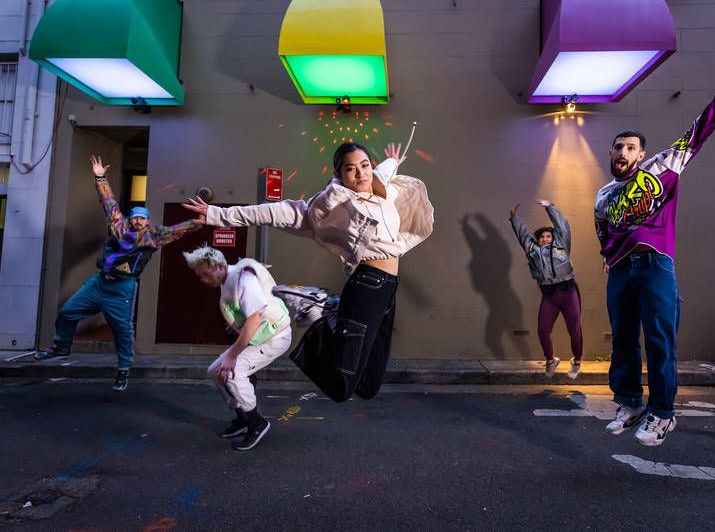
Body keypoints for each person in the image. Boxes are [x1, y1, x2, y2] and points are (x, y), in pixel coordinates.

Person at [183, 141, 433, 402]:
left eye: (364, 165)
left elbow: (384, 171)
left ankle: (331, 309)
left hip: (388, 286)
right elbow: (271, 212)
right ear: (338, 175)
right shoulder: (330, 207)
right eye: (351, 169)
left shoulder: (379, 186)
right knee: (340, 387)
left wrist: (392, 161)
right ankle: (316, 313)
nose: (361, 174)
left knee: (368, 386)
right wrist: (217, 214)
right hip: (366, 285)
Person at [595, 57, 715, 446]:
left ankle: (662, 414)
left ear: (640, 153)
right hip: (620, 270)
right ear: (610, 154)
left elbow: (701, 130)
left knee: (660, 340)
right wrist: (607, 258)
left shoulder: (663, 167)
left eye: (630, 148)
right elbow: (603, 230)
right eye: (617, 147)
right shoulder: (603, 195)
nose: (623, 152)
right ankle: (629, 403)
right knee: (622, 339)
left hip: (654, 264)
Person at [36, 155, 204, 392]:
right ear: (130, 218)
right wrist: (100, 178)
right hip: (99, 283)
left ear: (147, 221)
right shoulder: (119, 226)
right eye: (135, 217)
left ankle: (123, 371)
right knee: (67, 312)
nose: (137, 221)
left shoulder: (153, 236)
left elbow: (177, 231)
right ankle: (61, 347)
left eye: (142, 218)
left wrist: (198, 223)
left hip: (122, 289)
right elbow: (109, 203)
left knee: (122, 331)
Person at [184, 245, 291, 451]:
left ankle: (257, 422)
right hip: (260, 336)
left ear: (220, 266)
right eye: (200, 276)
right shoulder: (228, 280)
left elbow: (255, 318)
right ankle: (242, 418)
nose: (204, 280)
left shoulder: (243, 278)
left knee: (232, 372)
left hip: (274, 337)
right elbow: (247, 311)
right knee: (215, 372)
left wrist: (232, 355)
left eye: (206, 274)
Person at [510, 200, 582, 378]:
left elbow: (562, 225)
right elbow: (522, 235)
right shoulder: (532, 250)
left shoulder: (562, 244)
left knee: (574, 329)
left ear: (553, 237)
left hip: (568, 291)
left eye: (548, 236)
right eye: (542, 237)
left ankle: (577, 361)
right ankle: (551, 360)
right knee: (543, 330)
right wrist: (514, 219)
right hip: (549, 295)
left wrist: (550, 207)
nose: (544, 239)